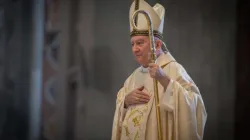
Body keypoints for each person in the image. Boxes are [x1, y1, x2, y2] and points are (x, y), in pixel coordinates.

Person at [111, 0, 207, 140]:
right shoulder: (132, 78)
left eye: (140, 43)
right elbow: (121, 107)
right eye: (132, 44)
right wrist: (125, 102)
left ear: (157, 44)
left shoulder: (174, 70)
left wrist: (165, 80)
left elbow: (196, 107)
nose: (135, 49)